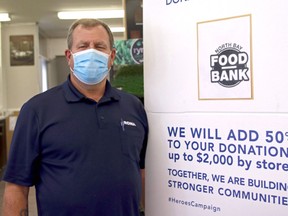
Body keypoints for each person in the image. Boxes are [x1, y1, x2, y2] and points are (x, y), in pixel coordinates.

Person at [2, 18, 148, 216]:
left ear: (112, 56)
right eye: (83, 46)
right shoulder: (37, 110)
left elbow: (141, 171)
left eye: (99, 46)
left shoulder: (134, 107)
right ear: (69, 56)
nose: (91, 52)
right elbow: (16, 186)